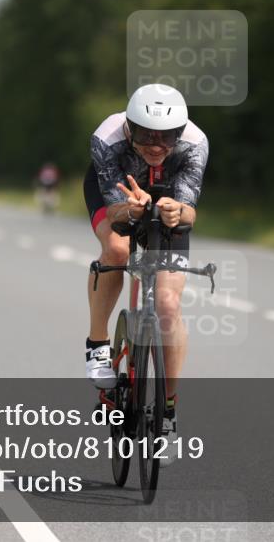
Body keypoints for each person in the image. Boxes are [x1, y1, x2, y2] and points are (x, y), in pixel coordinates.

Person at [83, 83, 208, 443]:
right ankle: (97, 343)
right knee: (118, 251)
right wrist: (130, 209)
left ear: (180, 133)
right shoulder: (107, 137)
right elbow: (115, 207)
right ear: (128, 127)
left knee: (168, 305)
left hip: (169, 198)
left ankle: (167, 411)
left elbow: (189, 212)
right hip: (119, 192)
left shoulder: (195, 143)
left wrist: (175, 211)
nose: (156, 146)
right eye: (146, 135)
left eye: (167, 137)